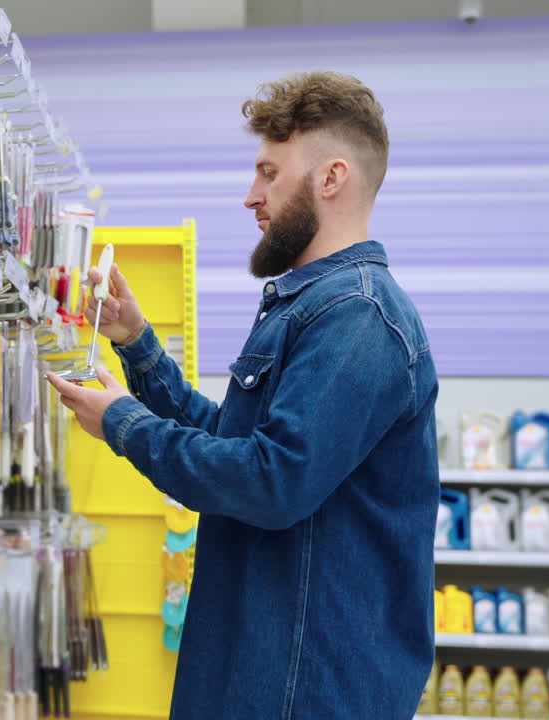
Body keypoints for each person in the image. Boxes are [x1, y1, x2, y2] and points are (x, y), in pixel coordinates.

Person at [46, 71, 439, 719]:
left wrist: (123, 425)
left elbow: (270, 480)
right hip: (254, 667)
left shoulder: (357, 318)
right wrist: (139, 344)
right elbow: (236, 442)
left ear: (331, 178)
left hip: (303, 687)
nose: (251, 196)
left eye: (269, 173)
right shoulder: (310, 307)